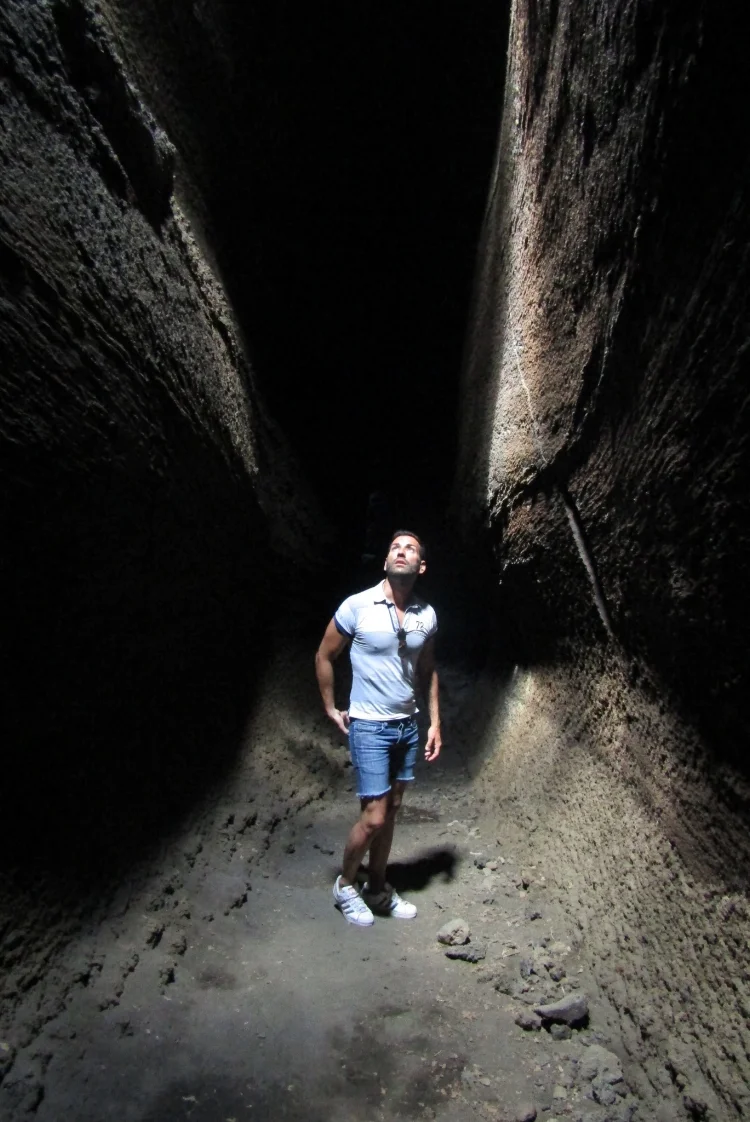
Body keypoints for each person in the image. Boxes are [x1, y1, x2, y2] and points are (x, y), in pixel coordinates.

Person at [315, 530, 442, 926]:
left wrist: (435, 721)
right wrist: (331, 707)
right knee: (373, 816)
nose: (400, 552)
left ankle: (378, 888)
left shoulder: (427, 615)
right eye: (394, 547)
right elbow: (324, 654)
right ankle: (346, 884)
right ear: (386, 560)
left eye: (410, 549)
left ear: (420, 566)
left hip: (407, 726)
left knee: (393, 811)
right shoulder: (358, 605)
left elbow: (427, 670)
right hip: (369, 726)